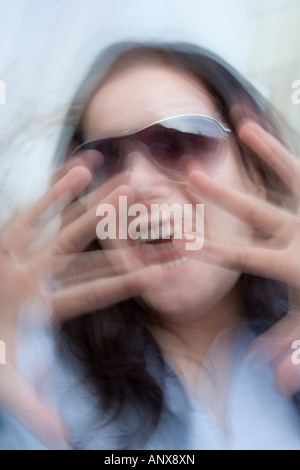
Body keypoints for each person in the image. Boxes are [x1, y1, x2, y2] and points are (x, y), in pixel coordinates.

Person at [1, 41, 300, 450]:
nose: (137, 182)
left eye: (180, 141)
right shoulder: (36, 360)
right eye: (104, 160)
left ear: (255, 171)